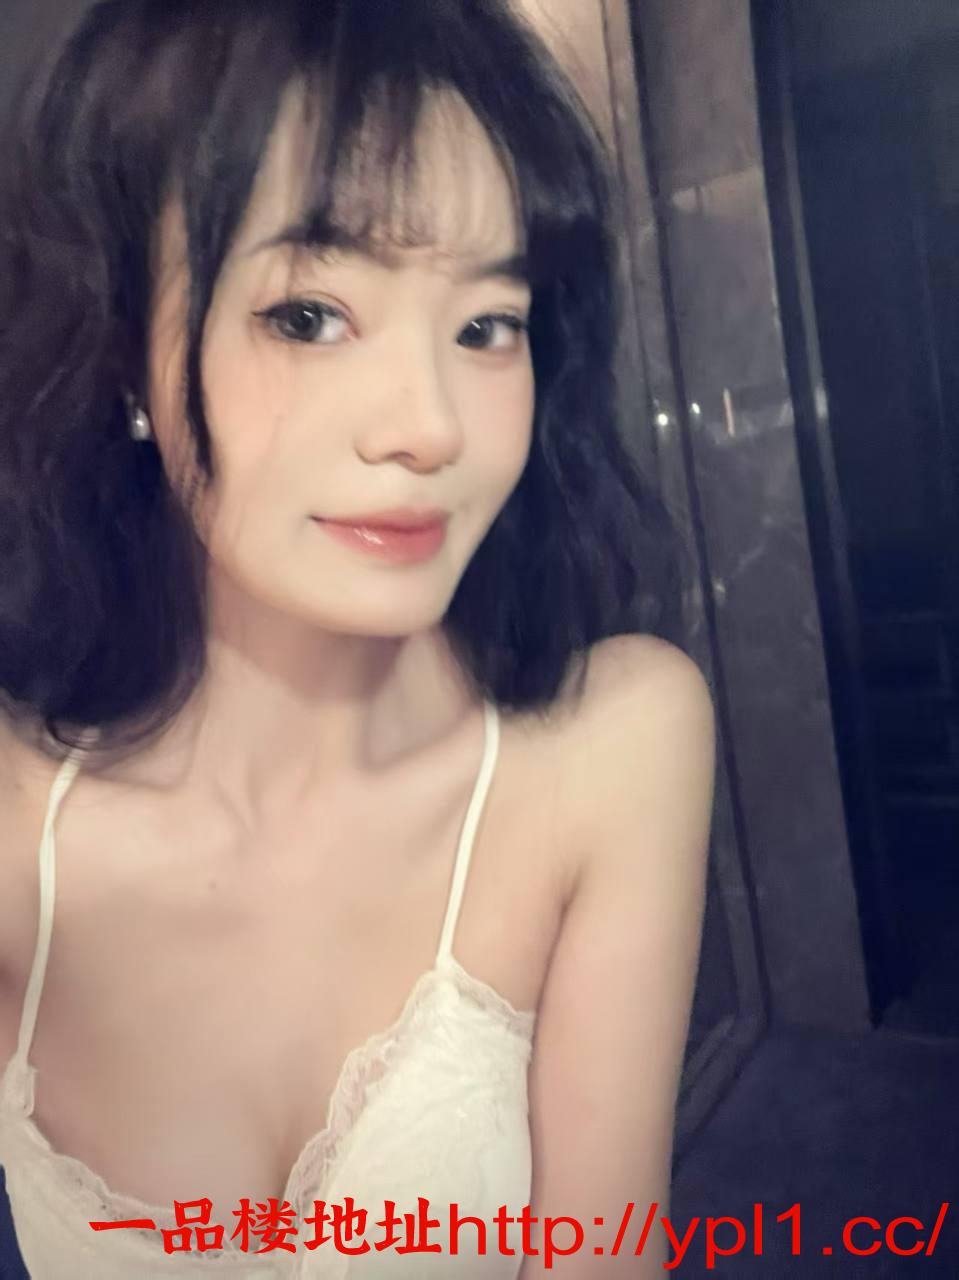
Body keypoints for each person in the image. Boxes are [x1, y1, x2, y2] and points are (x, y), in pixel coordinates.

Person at [0, 0, 716, 1275]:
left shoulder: (609, 746)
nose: (429, 424)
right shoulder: (17, 829)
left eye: (486, 325)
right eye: (310, 315)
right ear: (121, 348)